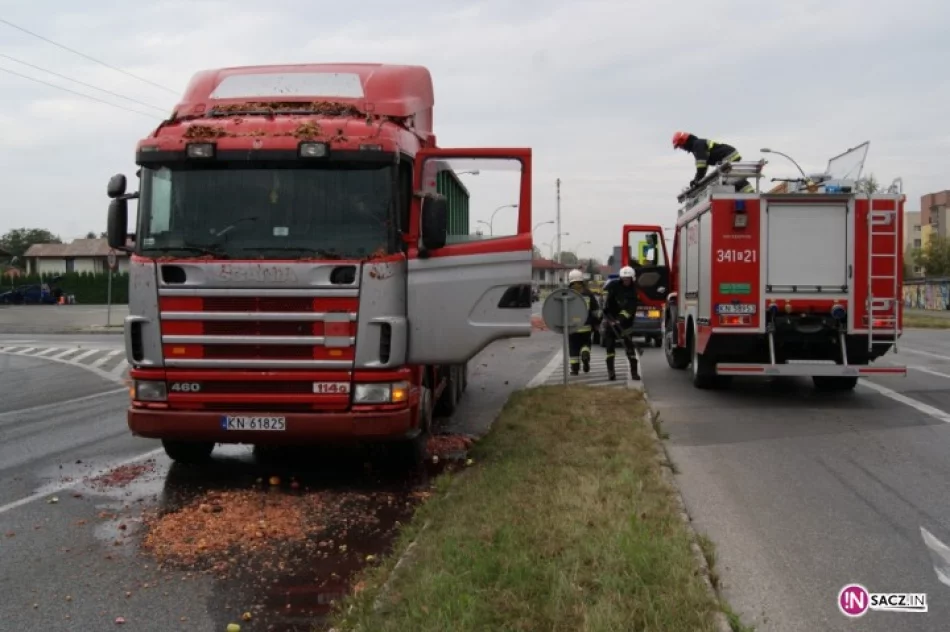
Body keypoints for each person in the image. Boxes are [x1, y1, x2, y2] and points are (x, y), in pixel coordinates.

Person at [671, 131, 754, 193]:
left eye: (680, 146)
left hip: (728, 156)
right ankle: (745, 192)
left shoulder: (697, 145)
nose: (681, 148)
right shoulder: (696, 146)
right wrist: (698, 179)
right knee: (728, 179)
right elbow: (704, 165)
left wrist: (697, 180)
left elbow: (702, 166)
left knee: (729, 178)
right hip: (728, 156)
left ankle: (749, 192)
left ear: (683, 141)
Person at [602, 265, 640, 381]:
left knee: (630, 349)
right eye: (624, 279)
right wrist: (605, 310)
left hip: (626, 324)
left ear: (632, 279)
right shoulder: (613, 286)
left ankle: (634, 372)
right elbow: (605, 297)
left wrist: (619, 320)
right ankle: (611, 372)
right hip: (610, 321)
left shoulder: (633, 291)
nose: (626, 281)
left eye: (628, 279)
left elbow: (630, 310)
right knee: (609, 348)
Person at [567, 269, 601, 375]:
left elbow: (561, 311)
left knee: (573, 347)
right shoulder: (588, 294)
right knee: (586, 343)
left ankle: (575, 369)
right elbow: (596, 311)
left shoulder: (567, 294)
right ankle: (585, 353)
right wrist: (596, 323)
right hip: (586, 326)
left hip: (572, 327)